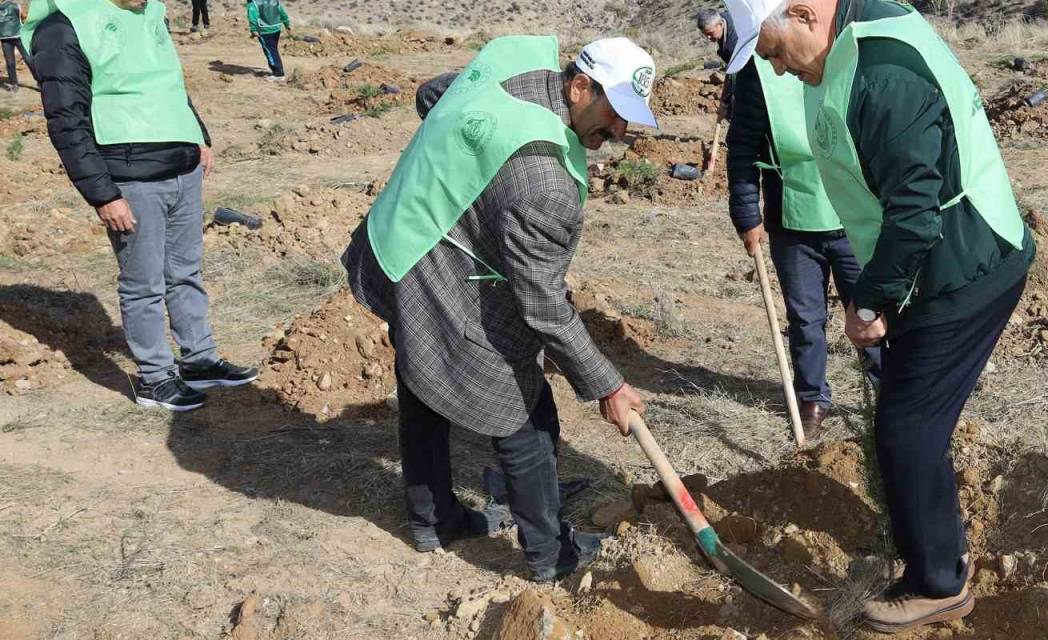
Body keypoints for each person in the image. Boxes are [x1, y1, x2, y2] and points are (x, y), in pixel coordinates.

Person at [724, 0, 1036, 632]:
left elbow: (916, 215)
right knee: (909, 421)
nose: (778, 71)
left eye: (777, 52)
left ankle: (939, 584)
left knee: (905, 430)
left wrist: (871, 301)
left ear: (805, 15)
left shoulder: (880, 75)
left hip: (963, 266)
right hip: (941, 261)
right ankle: (937, 545)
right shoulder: (853, 30)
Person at [343, 36, 657, 582]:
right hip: (431, 257)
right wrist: (606, 384)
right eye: (614, 115)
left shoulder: (512, 58)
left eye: (630, 120)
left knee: (421, 373)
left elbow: (433, 94)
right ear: (579, 86)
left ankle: (433, 518)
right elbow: (543, 304)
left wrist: (466, 171)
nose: (621, 134)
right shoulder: (544, 183)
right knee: (522, 409)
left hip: (400, 233)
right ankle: (550, 556)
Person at [24, 0, 259, 412]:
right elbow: (66, 120)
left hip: (181, 166)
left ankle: (199, 359)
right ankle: (154, 377)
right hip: (130, 179)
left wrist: (197, 136)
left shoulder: (152, 12)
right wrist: (103, 194)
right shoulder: (63, 29)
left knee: (185, 271)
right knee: (143, 283)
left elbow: (168, 84)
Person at [726, 49, 873, 436]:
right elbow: (742, 146)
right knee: (806, 319)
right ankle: (811, 397)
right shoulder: (758, 73)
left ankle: (888, 390)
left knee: (870, 310)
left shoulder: (851, 54)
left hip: (853, 219)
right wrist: (747, 214)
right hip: (791, 220)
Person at [695, 8, 737, 120]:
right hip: (736, 62)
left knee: (733, 106)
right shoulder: (720, 19)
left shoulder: (733, 42)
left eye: (710, 33)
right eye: (705, 34)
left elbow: (734, 73)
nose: (708, 38)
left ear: (720, 24)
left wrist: (725, 100)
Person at [246, 0, 288, 80]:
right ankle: (278, 70)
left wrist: (253, 29)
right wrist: (286, 23)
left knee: (270, 52)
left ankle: (278, 74)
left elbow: (253, 17)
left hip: (265, 31)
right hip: (276, 28)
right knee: (273, 50)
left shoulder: (253, 3)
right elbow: (281, 10)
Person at [0, 0, 31, 92]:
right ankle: (40, 80)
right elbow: (24, 17)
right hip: (18, 36)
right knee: (28, 58)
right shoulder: (16, 6)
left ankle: (14, 84)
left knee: (10, 62)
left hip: (5, 39)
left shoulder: (14, 6)